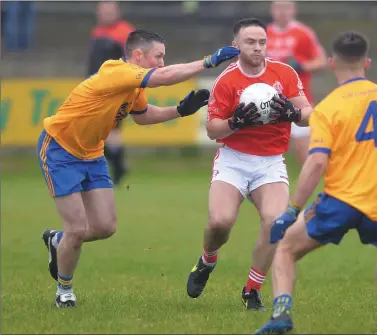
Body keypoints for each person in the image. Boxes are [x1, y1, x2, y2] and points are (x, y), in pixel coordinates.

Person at [39, 29, 240, 308]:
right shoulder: (115, 70)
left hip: (92, 153)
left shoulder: (134, 88)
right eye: (158, 56)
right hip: (60, 149)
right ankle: (64, 290)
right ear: (137, 55)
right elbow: (163, 77)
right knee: (76, 227)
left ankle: (57, 241)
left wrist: (179, 111)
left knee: (105, 226)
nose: (161, 62)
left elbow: (143, 116)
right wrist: (208, 61)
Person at [255, 31, 377, 334]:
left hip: (339, 202)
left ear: (332, 63)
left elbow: (317, 161)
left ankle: (281, 314)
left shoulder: (328, 107)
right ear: (367, 62)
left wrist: (293, 209)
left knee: (285, 248)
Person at [186, 18, 313, 310]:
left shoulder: (284, 73)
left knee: (274, 222)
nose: (257, 48)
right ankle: (208, 259)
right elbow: (213, 129)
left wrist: (293, 113)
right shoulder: (226, 80)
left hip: (270, 162)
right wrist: (236, 122)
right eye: (250, 42)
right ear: (236, 45)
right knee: (220, 222)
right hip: (234, 159)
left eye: (262, 42)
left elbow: (309, 114)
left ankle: (252, 289)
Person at [267, 0, 326, 166]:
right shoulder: (263, 34)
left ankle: (313, 187)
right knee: (266, 151)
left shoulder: (303, 33)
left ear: (293, 9)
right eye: (278, 7)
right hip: (268, 100)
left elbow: (321, 61)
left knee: (305, 151)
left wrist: (302, 66)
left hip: (298, 99)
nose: (282, 11)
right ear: (272, 9)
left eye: (286, 7)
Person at [88, 1, 135, 186]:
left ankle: (117, 168)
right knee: (103, 132)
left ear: (118, 12)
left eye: (109, 11)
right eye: (102, 11)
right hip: (95, 89)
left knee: (109, 131)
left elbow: (132, 60)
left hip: (114, 90)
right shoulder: (97, 32)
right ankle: (118, 167)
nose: (105, 14)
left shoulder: (125, 32)